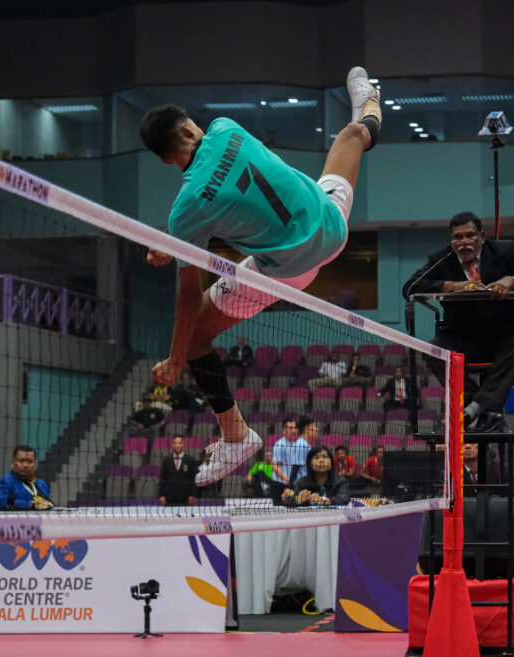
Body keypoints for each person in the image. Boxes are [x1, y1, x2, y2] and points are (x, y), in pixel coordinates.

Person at [138, 65, 382, 486]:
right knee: (352, 137)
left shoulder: (187, 207)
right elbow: (233, 189)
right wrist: (173, 239)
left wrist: (178, 356)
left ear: (163, 159)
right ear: (190, 125)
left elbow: (188, 297)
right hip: (329, 226)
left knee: (196, 337)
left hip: (289, 272)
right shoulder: (225, 127)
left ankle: (235, 436)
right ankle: (370, 101)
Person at [403, 211, 514, 433]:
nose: (464, 242)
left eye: (470, 236)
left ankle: (468, 412)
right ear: (451, 240)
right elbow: (410, 288)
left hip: (506, 337)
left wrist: (513, 281)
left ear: (482, 236)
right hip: (461, 338)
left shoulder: (505, 251)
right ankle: (480, 409)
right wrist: (452, 286)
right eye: (457, 237)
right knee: (433, 350)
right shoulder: (440, 258)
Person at [281, 447, 350, 507]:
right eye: (316, 457)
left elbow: (343, 500)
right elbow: (288, 500)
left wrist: (323, 500)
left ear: (331, 462)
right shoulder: (300, 482)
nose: (321, 461)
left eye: (325, 457)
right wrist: (299, 500)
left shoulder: (341, 481)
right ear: (309, 463)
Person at [0, 446, 54, 511]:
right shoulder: (3, 482)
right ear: (13, 463)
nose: (25, 465)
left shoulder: (41, 484)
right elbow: (1, 502)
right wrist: (31, 505)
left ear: (35, 464)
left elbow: (49, 504)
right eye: (21, 461)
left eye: (30, 461)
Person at [158, 435, 198, 506]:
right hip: (169, 498)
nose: (177, 445)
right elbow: (162, 479)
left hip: (186, 498)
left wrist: (193, 495)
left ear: (183, 445)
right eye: (175, 443)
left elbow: (194, 480)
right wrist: (161, 495)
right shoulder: (166, 460)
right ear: (172, 445)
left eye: (180, 443)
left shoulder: (191, 460)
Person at [272, 418, 310, 486]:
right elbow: (275, 466)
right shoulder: (280, 444)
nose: (294, 431)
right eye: (290, 428)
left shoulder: (297, 444)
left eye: (295, 428)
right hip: (281, 484)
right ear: (284, 431)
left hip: (292, 483)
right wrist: (288, 481)